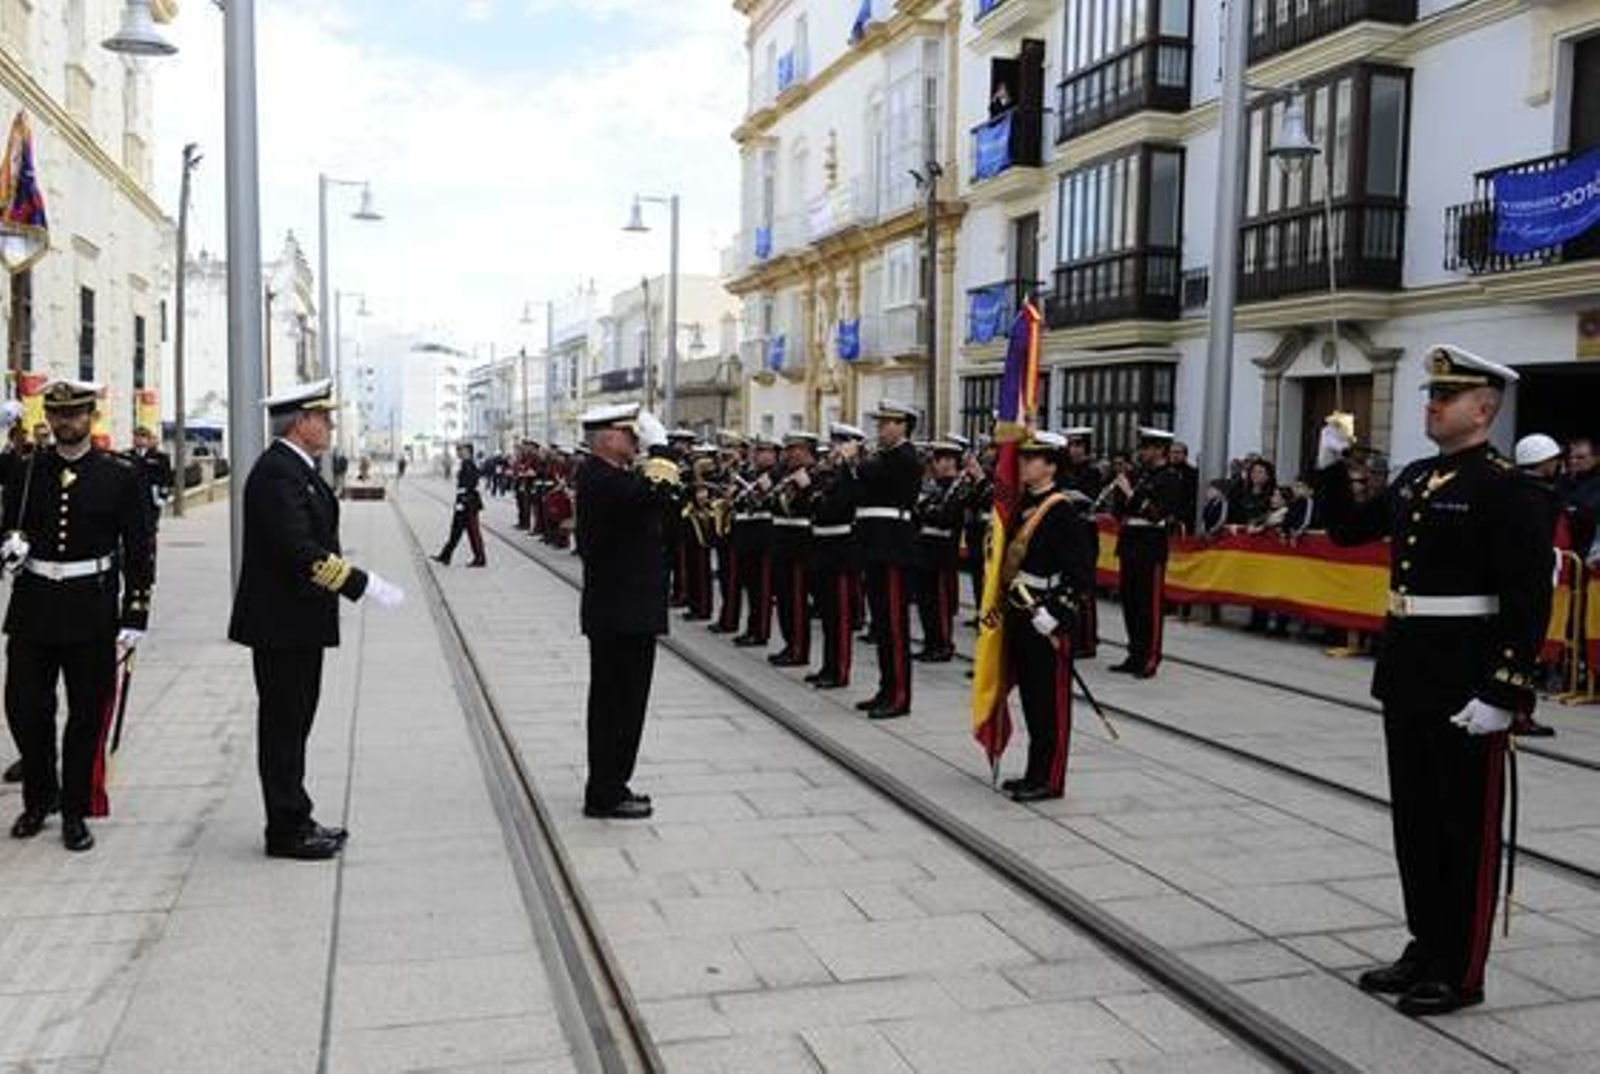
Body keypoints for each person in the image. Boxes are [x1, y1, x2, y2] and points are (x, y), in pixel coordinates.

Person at [1317, 345, 1550, 1017]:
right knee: (1416, 823)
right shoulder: (1419, 478)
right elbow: (1346, 531)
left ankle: (1461, 966)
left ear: (1483, 408)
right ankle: (1425, 942)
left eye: (1445, 397)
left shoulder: (1509, 487)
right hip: (1410, 672)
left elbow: (1529, 598)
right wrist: (1334, 467)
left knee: (1463, 827)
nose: (1431, 404)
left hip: (1466, 679)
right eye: (1430, 394)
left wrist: (1505, 689)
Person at [228, 380, 405, 859]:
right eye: (322, 418)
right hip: (281, 623)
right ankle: (285, 829)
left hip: (296, 621)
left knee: (295, 723)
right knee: (284, 726)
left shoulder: (296, 469)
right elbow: (298, 549)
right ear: (300, 422)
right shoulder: (277, 474)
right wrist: (360, 583)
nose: (329, 425)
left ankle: (296, 815)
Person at [2, 381, 155, 852]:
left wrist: (135, 613)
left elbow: (139, 549)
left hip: (91, 609)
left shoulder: (121, 475)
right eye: (57, 413)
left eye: (75, 414)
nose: (65, 422)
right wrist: (8, 545)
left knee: (86, 715)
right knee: (26, 709)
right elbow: (8, 525)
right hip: (33, 606)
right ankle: (39, 795)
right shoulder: (27, 471)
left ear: (92, 417)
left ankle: (73, 810)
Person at [574, 403, 679, 820]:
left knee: (621, 703)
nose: (637, 441)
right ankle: (606, 791)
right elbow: (654, 491)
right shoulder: (602, 478)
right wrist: (662, 449)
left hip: (625, 611)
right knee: (618, 704)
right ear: (608, 438)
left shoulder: (613, 477)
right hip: (621, 613)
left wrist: (661, 461)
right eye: (631, 434)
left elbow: (662, 500)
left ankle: (611, 783)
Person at [999, 431, 1095, 802]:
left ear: (1051, 465)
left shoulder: (1061, 511)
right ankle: (1032, 772)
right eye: (1022, 457)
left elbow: (1082, 575)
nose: (1023, 463)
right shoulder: (1024, 503)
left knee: (1049, 703)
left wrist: (1056, 614)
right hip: (1021, 611)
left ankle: (1050, 778)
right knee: (1031, 700)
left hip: (1045, 615)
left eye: (1032, 458)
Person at [841, 401, 922, 719]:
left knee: (895, 627)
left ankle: (900, 695)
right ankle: (886, 688)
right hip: (875, 545)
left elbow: (875, 478)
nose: (881, 428)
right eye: (880, 423)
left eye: (888, 423)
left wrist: (853, 462)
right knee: (882, 626)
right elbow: (857, 495)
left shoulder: (905, 457)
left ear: (903, 425)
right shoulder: (883, 457)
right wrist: (850, 467)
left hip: (893, 547)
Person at [1109, 428, 1183, 678]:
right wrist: (1120, 491)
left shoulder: (1170, 478)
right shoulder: (1140, 474)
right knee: (1130, 603)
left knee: (1148, 605)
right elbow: (1121, 513)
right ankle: (1134, 653)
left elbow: (1156, 514)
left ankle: (1150, 657)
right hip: (1130, 543)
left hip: (1150, 545)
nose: (1142, 453)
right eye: (1142, 448)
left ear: (1159, 450)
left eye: (1147, 448)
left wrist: (1130, 492)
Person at [808, 423, 863, 689]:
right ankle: (827, 666)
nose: (834, 449)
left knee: (840, 618)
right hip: (821, 546)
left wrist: (844, 467)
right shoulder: (827, 473)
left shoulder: (851, 475)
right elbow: (811, 505)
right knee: (827, 615)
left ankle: (839, 670)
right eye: (834, 443)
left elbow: (838, 506)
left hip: (841, 548)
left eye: (841, 444)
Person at [911, 439, 969, 663]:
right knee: (926, 603)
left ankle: (944, 645)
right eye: (938, 460)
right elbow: (918, 512)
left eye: (947, 460)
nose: (941, 464)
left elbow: (948, 517)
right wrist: (930, 510)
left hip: (943, 551)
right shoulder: (933, 486)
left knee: (940, 604)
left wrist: (929, 510)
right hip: (925, 548)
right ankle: (930, 642)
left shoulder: (959, 486)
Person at [769, 432, 818, 667]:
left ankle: (799, 649)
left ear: (807, 450)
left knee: (798, 601)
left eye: (795, 449)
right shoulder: (783, 474)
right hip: (781, 541)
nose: (789, 453)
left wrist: (805, 486)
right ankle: (789, 643)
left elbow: (811, 506)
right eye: (788, 449)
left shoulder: (814, 476)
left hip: (800, 544)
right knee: (784, 599)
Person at [434, 442, 486, 567]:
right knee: (456, 530)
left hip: (468, 503)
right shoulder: (465, 464)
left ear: (467, 451)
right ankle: (445, 555)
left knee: (473, 532)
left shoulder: (469, 464)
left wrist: (464, 499)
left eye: (460, 450)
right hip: (463, 501)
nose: (458, 452)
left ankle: (480, 558)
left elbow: (472, 483)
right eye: (458, 450)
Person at [124, 425, 174, 533]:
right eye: (136, 436)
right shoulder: (127, 455)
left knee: (150, 526)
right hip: (132, 496)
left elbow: (166, 477)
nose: (139, 439)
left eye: (142, 437)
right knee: (132, 527)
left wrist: (163, 496)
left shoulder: (160, 457)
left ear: (148, 439)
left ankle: (149, 547)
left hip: (152, 495)